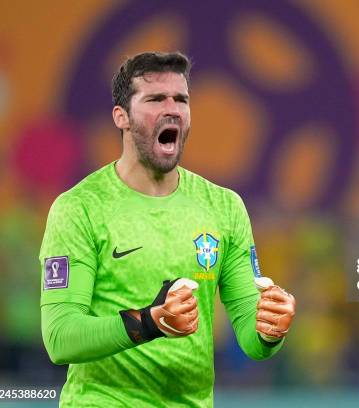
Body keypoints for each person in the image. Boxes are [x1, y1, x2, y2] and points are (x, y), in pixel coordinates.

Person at [39, 51, 296, 407]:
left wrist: (271, 328)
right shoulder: (80, 208)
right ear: (121, 117)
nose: (172, 108)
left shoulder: (224, 207)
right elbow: (61, 338)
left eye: (181, 99)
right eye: (156, 99)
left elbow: (253, 340)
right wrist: (150, 322)